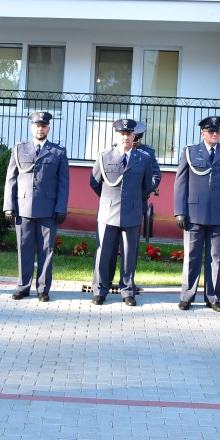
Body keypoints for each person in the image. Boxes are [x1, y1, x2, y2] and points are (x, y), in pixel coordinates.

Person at [173, 115, 220, 312]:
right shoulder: (190, 151)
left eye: (218, 131)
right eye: (211, 131)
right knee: (192, 256)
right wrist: (180, 211)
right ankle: (187, 296)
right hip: (194, 213)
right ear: (202, 133)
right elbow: (181, 182)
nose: (215, 134)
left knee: (215, 258)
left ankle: (212, 297)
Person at [3, 110, 70, 302]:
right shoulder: (19, 149)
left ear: (48, 128)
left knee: (46, 250)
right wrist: (9, 205)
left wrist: (61, 208)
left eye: (43, 126)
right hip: (23, 208)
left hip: (48, 209)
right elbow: (11, 179)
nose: (40, 129)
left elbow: (63, 183)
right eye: (37, 126)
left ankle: (43, 289)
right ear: (32, 127)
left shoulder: (58, 152)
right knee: (23, 247)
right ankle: (23, 287)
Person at [89, 118, 156, 306]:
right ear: (117, 135)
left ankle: (127, 290)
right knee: (103, 253)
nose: (125, 137)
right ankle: (100, 290)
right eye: (122, 133)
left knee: (129, 253)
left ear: (134, 136)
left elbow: (146, 186)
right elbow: (95, 182)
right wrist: (110, 200)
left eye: (129, 134)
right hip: (108, 212)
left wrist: (132, 200)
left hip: (132, 212)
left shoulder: (143, 159)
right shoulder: (104, 156)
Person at [108, 120, 161, 287]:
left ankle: (127, 282)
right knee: (109, 247)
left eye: (136, 139)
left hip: (136, 204)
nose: (133, 142)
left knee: (130, 248)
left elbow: (155, 176)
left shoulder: (147, 153)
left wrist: (141, 191)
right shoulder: (113, 151)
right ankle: (106, 280)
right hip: (114, 206)